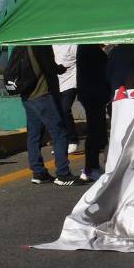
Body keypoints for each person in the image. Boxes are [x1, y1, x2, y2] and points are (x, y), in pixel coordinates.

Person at [16, 46, 78, 185]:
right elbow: (49, 67)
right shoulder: (42, 46)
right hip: (42, 95)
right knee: (59, 132)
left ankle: (38, 172)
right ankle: (63, 174)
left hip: (27, 96)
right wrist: (60, 69)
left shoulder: (20, 46)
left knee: (34, 135)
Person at [76, 44, 111, 181]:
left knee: (98, 130)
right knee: (95, 131)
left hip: (91, 94)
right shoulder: (90, 49)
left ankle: (92, 167)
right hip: (93, 95)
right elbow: (101, 70)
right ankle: (91, 167)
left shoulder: (86, 48)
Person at [52, 44, 81, 154]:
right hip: (56, 83)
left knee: (65, 109)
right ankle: (61, 142)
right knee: (57, 112)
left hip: (71, 83)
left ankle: (72, 140)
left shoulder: (73, 45)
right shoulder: (52, 45)